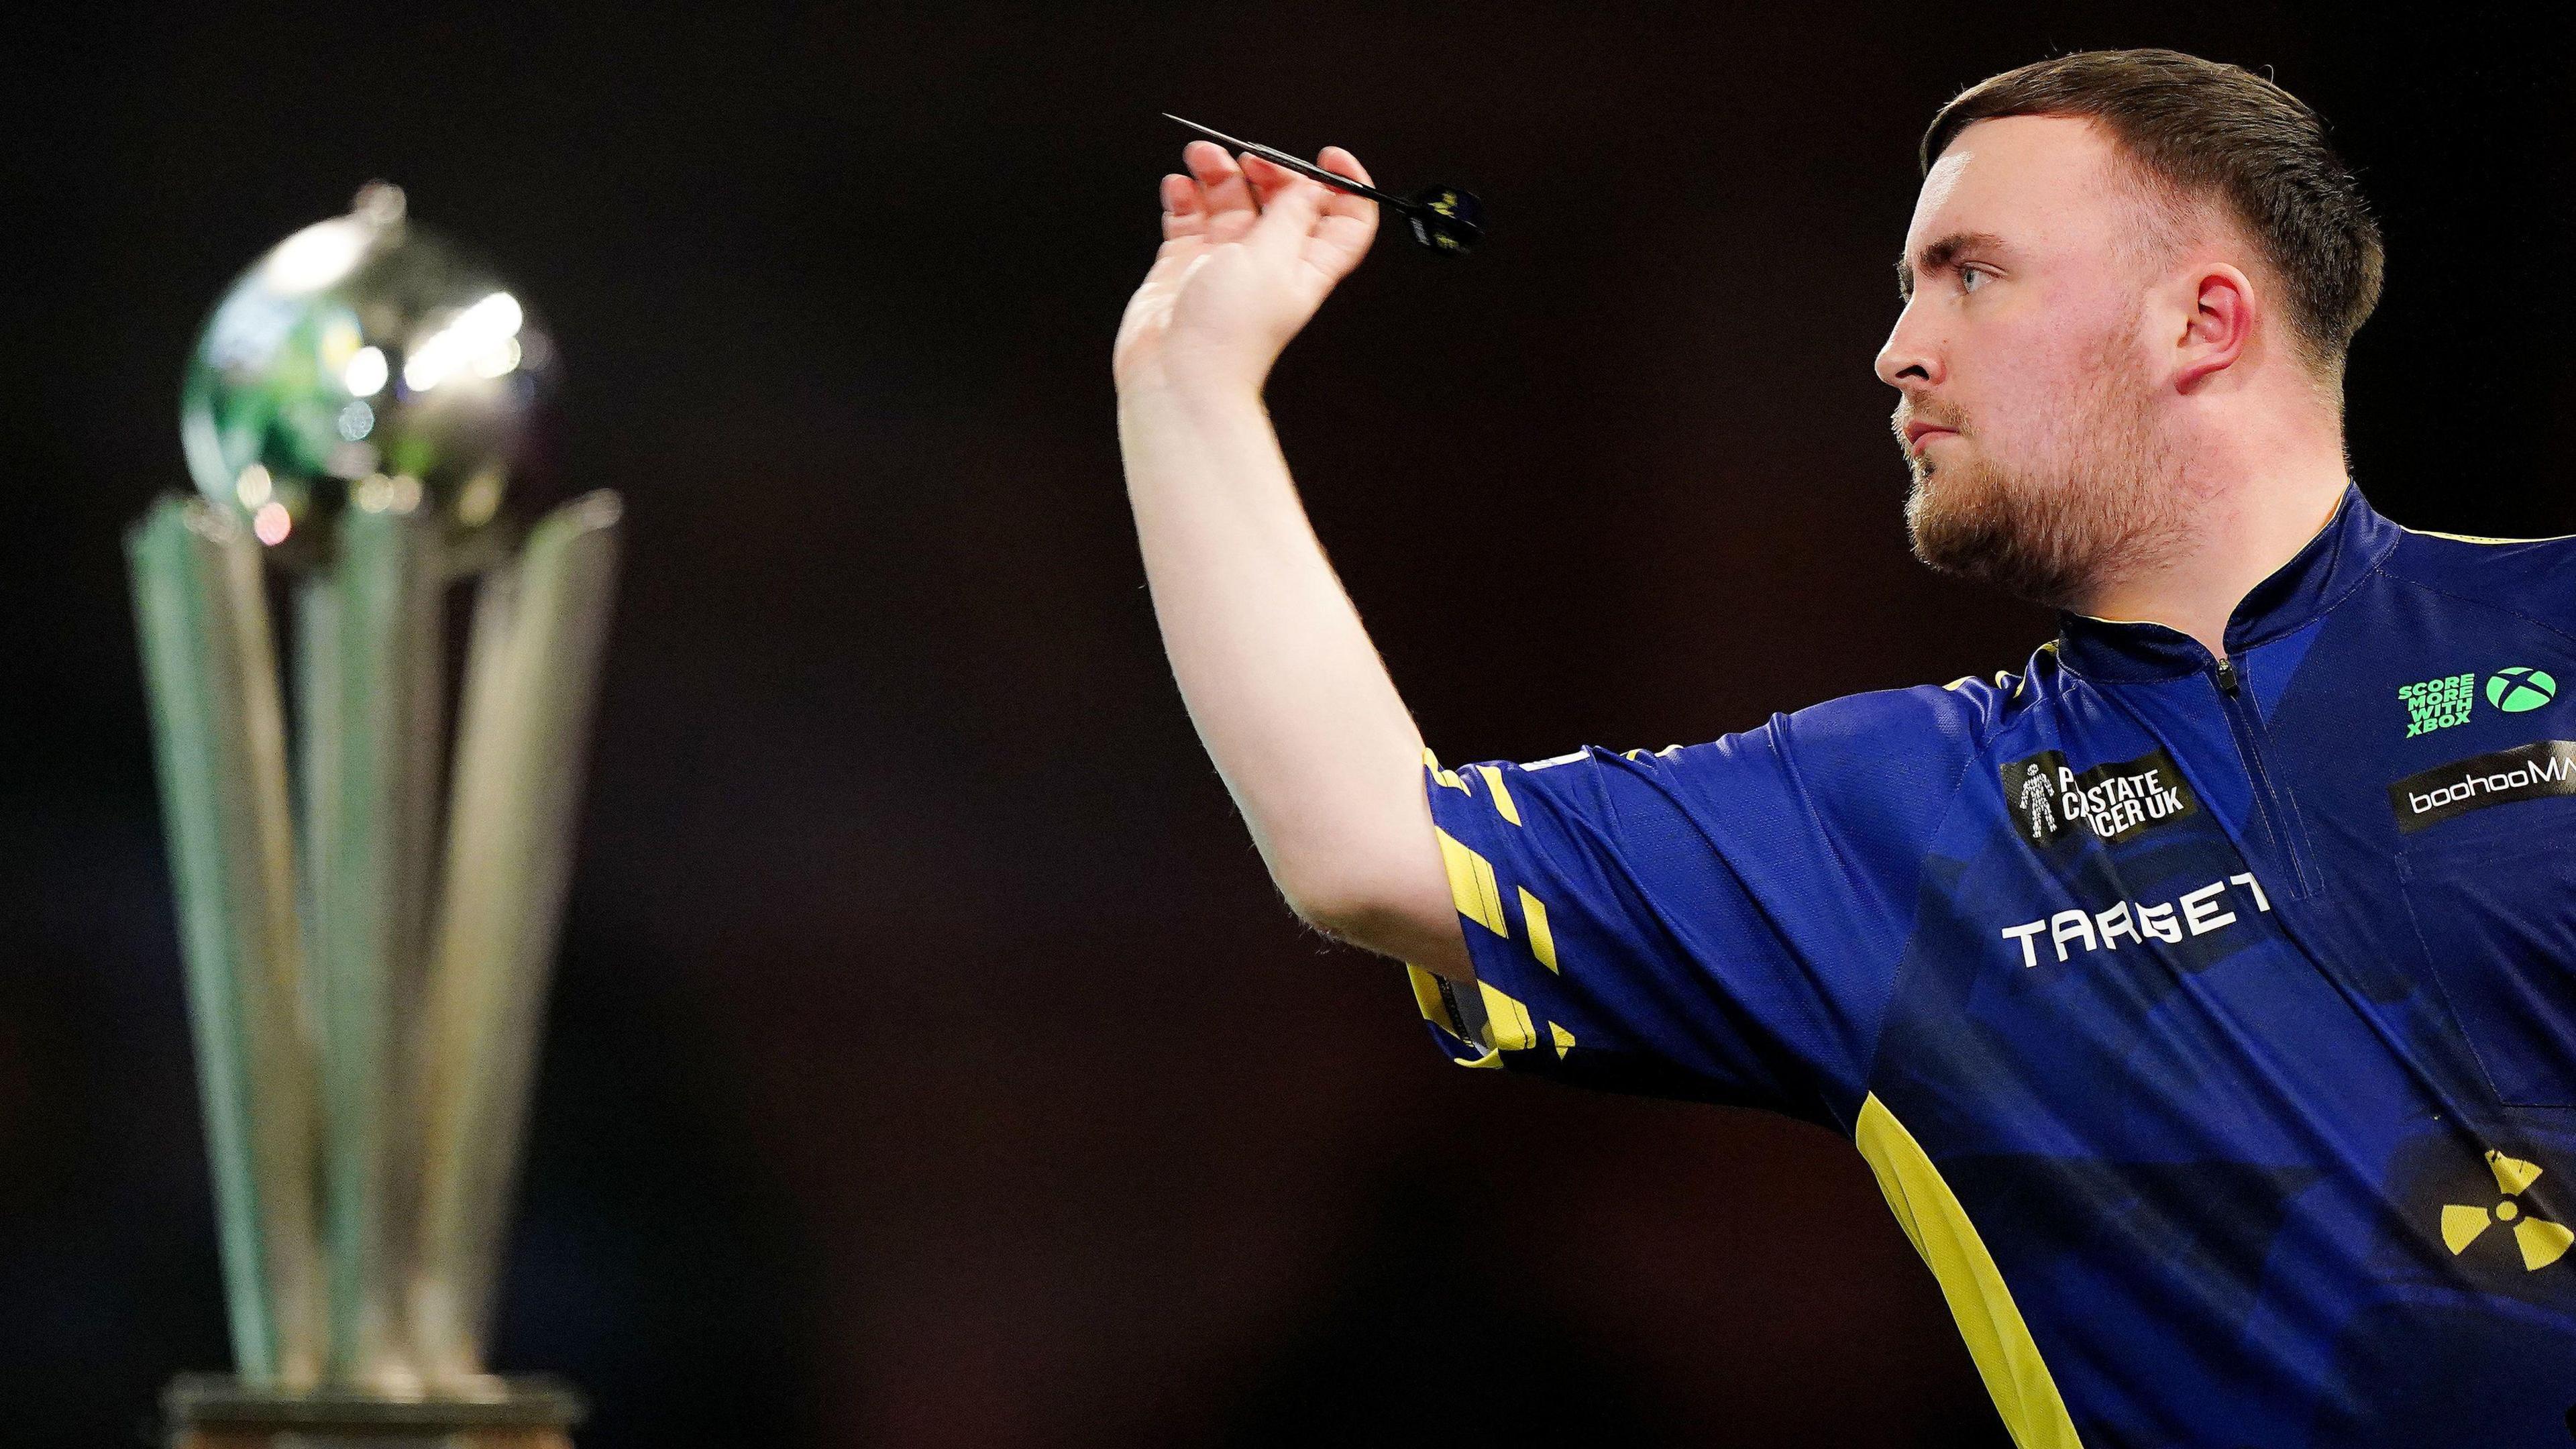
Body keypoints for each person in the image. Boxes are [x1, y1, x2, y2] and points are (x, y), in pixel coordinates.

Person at [1113, 47, 2576, 1446]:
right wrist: (1185, 384)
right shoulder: (1888, 819)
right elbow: (1365, 846)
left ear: (2203, 320)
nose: (1896, 353)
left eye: (1972, 276)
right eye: (1905, 288)